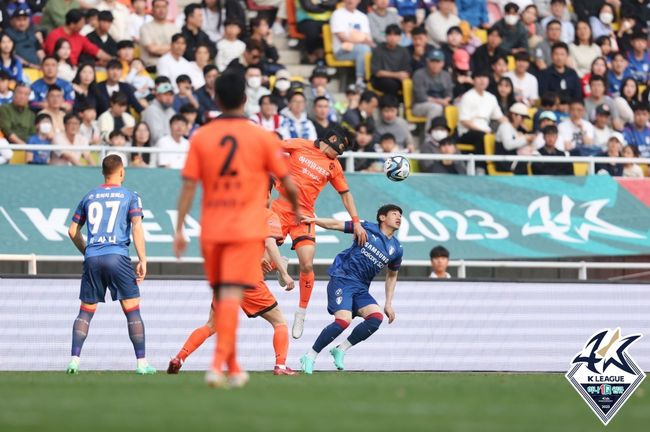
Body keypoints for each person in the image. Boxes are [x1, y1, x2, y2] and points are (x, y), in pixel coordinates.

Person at [173, 71, 300, 388]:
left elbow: (188, 186)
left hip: (213, 230)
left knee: (223, 304)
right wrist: (297, 211)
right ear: (246, 99)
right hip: (243, 230)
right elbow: (287, 182)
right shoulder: (260, 137)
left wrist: (179, 229)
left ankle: (226, 366)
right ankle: (222, 366)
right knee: (238, 302)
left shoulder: (202, 136)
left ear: (215, 100)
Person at [168, 184, 297, 376]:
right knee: (280, 322)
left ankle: (180, 357)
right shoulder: (267, 215)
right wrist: (284, 273)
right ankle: (280, 365)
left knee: (211, 325)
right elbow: (270, 243)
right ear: (268, 193)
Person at [270, 124, 367, 339]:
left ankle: (301, 312)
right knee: (263, 259)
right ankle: (278, 264)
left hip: (304, 215)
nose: (337, 155)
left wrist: (356, 221)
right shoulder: (299, 145)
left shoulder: (334, 166)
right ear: (331, 139)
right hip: (280, 208)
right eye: (337, 150)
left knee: (307, 263)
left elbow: (345, 194)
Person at [65, 154, 154, 375]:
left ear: (103, 172)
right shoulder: (130, 196)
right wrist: (142, 259)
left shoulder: (89, 196)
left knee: (86, 310)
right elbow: (136, 227)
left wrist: (87, 251)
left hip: (93, 257)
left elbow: (72, 231)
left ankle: (74, 360)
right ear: (122, 172)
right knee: (132, 309)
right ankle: (142, 364)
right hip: (118, 256)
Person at [298, 204, 402, 374]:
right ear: (382, 218)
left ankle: (341, 349)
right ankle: (310, 356)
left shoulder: (397, 248)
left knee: (376, 318)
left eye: (400, 216)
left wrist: (388, 303)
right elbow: (336, 225)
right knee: (343, 321)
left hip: (361, 287)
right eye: (394, 214)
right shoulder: (366, 227)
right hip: (343, 279)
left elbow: (392, 275)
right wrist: (315, 220)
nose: (398, 218)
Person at [457, 70, 505, 163]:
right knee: (482, 137)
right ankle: (480, 167)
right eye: (479, 77)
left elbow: (500, 117)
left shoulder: (491, 97)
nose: (482, 80)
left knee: (503, 136)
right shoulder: (467, 96)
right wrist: (483, 130)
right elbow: (464, 121)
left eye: (485, 78)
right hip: (467, 132)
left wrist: (512, 129)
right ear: (474, 80)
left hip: (486, 130)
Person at [43, 9, 112, 67]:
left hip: (74, 70)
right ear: (72, 24)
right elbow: (51, 57)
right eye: (81, 24)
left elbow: (96, 51)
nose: (83, 26)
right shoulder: (54, 35)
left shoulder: (80, 37)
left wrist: (112, 59)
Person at [330, 0, 373, 89]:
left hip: (360, 48)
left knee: (373, 50)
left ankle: (372, 81)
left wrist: (359, 39)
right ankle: (360, 80)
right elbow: (342, 38)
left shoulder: (363, 16)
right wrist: (360, 39)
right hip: (342, 51)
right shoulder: (337, 14)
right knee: (364, 49)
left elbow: (368, 37)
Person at [412, 49, 453, 130]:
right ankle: (430, 137)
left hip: (441, 104)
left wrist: (446, 100)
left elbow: (449, 93)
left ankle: (447, 137)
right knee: (436, 108)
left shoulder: (446, 75)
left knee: (453, 109)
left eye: (438, 62)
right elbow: (421, 97)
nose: (435, 64)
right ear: (427, 62)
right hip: (419, 105)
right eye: (432, 61)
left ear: (442, 63)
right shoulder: (419, 74)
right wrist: (440, 102)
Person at [370, 24, 411, 97]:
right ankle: (391, 105)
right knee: (391, 85)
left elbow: (407, 70)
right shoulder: (378, 50)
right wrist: (396, 75)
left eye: (395, 35)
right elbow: (377, 73)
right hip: (380, 79)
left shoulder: (404, 51)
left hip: (398, 79)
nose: (392, 38)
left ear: (400, 37)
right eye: (390, 35)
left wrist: (405, 75)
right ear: (385, 36)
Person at [140, 0, 179, 68]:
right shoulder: (145, 28)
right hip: (152, 66)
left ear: (167, 9)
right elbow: (152, 49)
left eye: (164, 7)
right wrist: (173, 47)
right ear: (152, 9)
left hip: (172, 65)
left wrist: (159, 48)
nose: (161, 10)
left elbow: (179, 48)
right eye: (158, 7)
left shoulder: (174, 28)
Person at [141, 81, 176, 146]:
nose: (169, 98)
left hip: (169, 149)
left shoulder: (172, 112)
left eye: (171, 95)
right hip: (154, 150)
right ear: (157, 95)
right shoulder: (151, 110)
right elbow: (156, 137)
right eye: (165, 94)